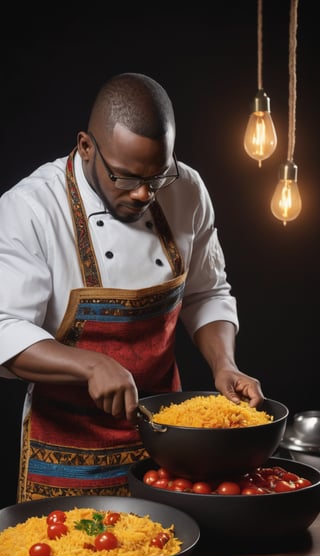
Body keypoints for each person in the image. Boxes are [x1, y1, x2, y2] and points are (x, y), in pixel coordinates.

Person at [0, 72, 264, 502]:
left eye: (157, 177)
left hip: (171, 447)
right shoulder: (30, 209)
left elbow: (207, 292)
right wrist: (90, 365)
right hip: (68, 452)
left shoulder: (187, 190)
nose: (144, 194)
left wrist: (224, 365)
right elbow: (4, 327)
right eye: (124, 178)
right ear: (86, 146)